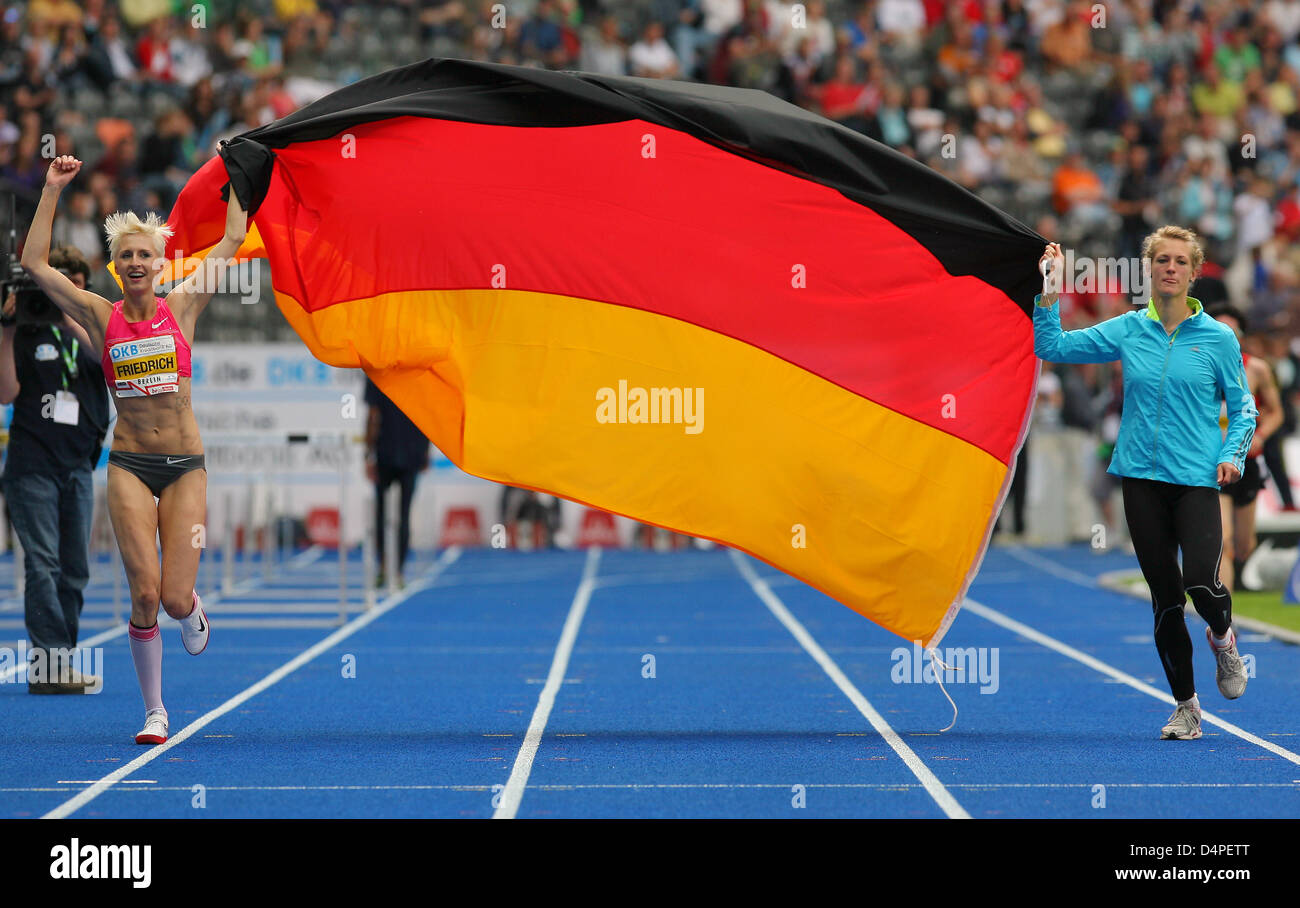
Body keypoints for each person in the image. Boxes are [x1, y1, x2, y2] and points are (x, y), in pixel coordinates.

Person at [21, 154, 247, 744]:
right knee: (144, 594)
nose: (136, 261)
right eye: (125, 255)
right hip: (127, 464)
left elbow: (233, 237)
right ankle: (155, 711)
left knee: (172, 599)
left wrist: (242, 172)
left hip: (184, 467)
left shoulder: (185, 306)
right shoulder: (100, 316)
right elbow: (34, 263)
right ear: (115, 267)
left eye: (145, 253)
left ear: (160, 261)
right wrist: (51, 189)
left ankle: (191, 603)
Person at [1034, 226, 1255, 741]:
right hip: (1140, 479)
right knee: (1165, 599)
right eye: (1161, 261)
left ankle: (1223, 639)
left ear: (1195, 272)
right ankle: (1186, 708)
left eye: (1180, 261)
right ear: (1148, 270)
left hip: (1198, 479)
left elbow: (1244, 409)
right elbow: (1053, 345)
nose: (1170, 268)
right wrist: (1050, 288)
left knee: (1202, 581)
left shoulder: (1219, 338)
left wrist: (1232, 456)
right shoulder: (1129, 329)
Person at [0, 246, 109, 693]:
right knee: (42, 564)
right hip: (32, 466)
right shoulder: (23, 332)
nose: (64, 292)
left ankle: (59, 662)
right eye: (54, 284)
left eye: (74, 284)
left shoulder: (90, 332)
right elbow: (6, 394)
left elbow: (111, 362)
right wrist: (6, 330)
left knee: (75, 568)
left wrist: (70, 316)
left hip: (78, 465)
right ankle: (50, 666)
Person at [1207, 304, 1283, 593]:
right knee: (1223, 543)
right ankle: (1225, 616)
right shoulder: (1199, 367)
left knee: (1243, 545)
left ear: (1239, 335)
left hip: (1247, 461)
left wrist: (1261, 434)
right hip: (1213, 463)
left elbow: (1277, 412)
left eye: (1231, 331)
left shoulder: (1257, 368)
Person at [364, 377, 430, 588]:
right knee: (403, 515)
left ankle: (384, 568)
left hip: (387, 452)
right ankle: (398, 571)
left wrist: (368, 454)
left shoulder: (377, 369)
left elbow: (373, 416)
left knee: (382, 514)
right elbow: (426, 413)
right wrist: (425, 451)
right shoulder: (417, 371)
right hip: (410, 450)